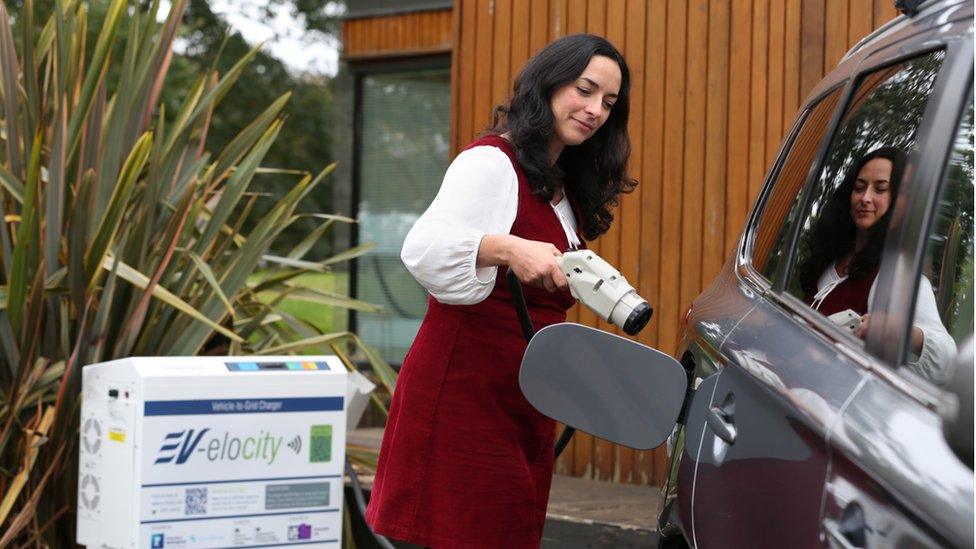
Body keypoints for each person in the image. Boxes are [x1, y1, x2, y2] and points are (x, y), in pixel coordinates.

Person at [365, 34, 636, 548]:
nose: (596, 110)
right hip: (464, 397)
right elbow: (422, 248)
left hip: (522, 401)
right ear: (549, 84)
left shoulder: (559, 187)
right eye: (585, 89)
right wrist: (507, 248)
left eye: (609, 102)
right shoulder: (491, 162)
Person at [799, 146, 954, 383]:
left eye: (880, 189)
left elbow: (947, 358)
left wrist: (896, 330)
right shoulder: (828, 256)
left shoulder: (896, 276)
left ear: (900, 203)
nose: (865, 198)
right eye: (859, 187)